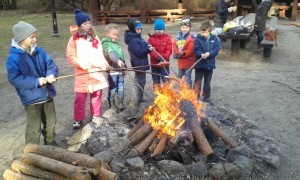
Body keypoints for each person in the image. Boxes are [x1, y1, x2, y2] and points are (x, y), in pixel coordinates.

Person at [6, 21, 59, 146]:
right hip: (31, 99)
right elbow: (14, 78)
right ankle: (32, 150)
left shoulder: (40, 51)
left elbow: (50, 65)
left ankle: (50, 143)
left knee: (51, 123)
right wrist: (36, 81)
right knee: (34, 128)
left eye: (36, 36)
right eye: (32, 37)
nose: (35, 39)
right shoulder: (13, 58)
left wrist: (51, 74)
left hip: (47, 95)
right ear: (22, 38)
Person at [66, 9, 109, 129]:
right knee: (80, 99)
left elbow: (100, 53)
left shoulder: (95, 38)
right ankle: (78, 119)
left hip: (96, 74)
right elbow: (70, 56)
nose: (88, 25)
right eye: (85, 23)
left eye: (89, 23)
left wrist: (104, 64)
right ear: (79, 25)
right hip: (83, 75)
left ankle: (96, 115)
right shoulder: (74, 39)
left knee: (97, 96)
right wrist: (81, 64)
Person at [124, 18, 154, 108]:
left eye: (140, 29)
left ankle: (140, 99)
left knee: (142, 82)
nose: (140, 30)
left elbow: (144, 45)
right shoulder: (133, 41)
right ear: (133, 29)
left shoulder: (138, 37)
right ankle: (135, 101)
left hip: (142, 65)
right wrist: (148, 49)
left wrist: (148, 46)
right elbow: (140, 53)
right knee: (138, 83)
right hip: (138, 65)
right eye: (137, 29)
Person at [194, 21, 220, 103]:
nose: (203, 34)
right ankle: (195, 97)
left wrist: (210, 53)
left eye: (205, 32)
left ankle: (206, 98)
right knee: (197, 82)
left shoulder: (214, 39)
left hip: (209, 66)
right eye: (202, 32)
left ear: (209, 31)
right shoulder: (198, 39)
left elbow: (217, 48)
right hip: (200, 66)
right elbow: (196, 49)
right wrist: (200, 54)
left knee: (207, 83)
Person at [101, 23, 126, 112]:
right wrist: (118, 61)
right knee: (113, 88)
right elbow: (111, 54)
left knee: (121, 87)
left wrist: (124, 68)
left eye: (117, 35)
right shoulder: (106, 44)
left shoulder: (117, 44)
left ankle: (120, 103)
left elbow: (121, 56)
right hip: (112, 71)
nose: (115, 36)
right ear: (107, 34)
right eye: (113, 34)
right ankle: (112, 105)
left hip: (120, 70)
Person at [148, 19, 172, 87]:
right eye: (157, 29)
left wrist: (163, 57)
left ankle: (167, 96)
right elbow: (151, 51)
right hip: (155, 64)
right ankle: (158, 96)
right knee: (156, 82)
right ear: (154, 30)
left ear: (163, 30)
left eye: (160, 29)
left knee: (166, 81)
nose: (159, 31)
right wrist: (158, 57)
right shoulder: (151, 39)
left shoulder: (167, 39)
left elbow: (169, 50)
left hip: (165, 64)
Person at [173, 17, 195, 88]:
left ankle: (188, 93)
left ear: (189, 28)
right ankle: (181, 92)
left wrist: (181, 53)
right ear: (180, 27)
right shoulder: (178, 37)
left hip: (188, 63)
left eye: (186, 27)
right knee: (180, 78)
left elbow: (190, 51)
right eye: (183, 27)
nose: (184, 29)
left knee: (187, 79)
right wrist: (175, 54)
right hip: (181, 62)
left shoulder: (191, 38)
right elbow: (175, 46)